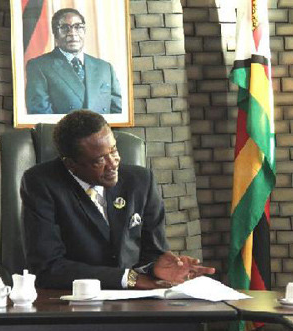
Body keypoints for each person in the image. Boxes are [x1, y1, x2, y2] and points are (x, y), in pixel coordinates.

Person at [20, 110, 214, 289]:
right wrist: (127, 278)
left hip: (137, 299)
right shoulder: (41, 183)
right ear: (71, 164)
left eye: (113, 150)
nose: (113, 164)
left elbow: (153, 252)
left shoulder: (141, 181)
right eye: (99, 160)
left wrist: (156, 268)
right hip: (74, 301)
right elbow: (47, 267)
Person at [25, 8, 122, 114]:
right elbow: (41, 114)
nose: (72, 33)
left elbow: (117, 113)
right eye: (65, 28)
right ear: (55, 33)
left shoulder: (105, 68)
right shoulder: (39, 66)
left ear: (84, 31)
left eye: (78, 27)